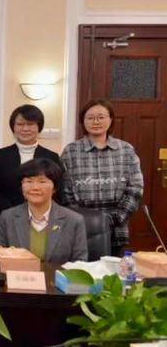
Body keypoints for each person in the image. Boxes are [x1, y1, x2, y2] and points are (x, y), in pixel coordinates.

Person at [61, 99, 143, 254]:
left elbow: (135, 189)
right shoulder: (70, 151)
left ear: (111, 119)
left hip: (118, 227)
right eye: (90, 118)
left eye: (101, 117)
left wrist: (115, 218)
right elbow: (65, 191)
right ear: (82, 121)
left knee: (113, 273)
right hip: (81, 226)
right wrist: (83, 219)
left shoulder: (125, 149)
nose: (96, 121)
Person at [0, 104, 63, 236]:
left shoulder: (51, 156)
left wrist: (37, 213)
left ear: (39, 127)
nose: (25, 128)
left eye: (30, 124)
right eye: (20, 124)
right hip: (7, 220)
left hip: (43, 221)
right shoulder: (1, 155)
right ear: (13, 127)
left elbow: (57, 190)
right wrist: (15, 214)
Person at [0, 158, 88, 264]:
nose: (35, 187)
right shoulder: (7, 217)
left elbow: (80, 263)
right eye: (28, 181)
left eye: (42, 181)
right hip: (18, 279)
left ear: (55, 187)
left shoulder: (74, 220)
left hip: (57, 279)